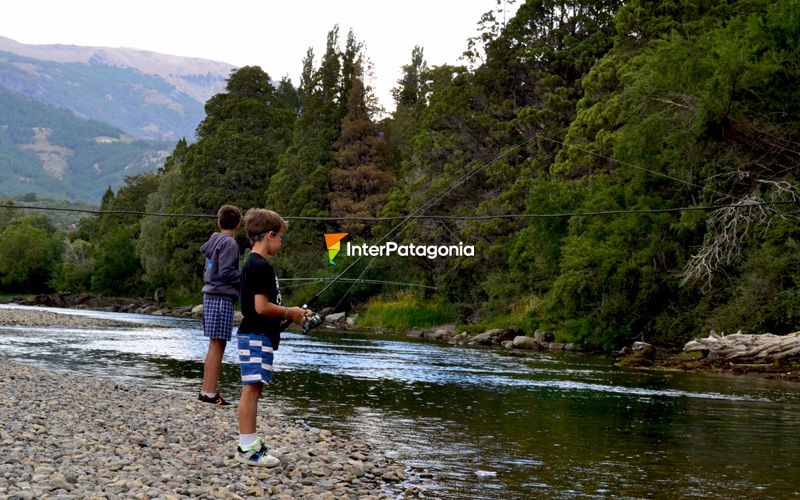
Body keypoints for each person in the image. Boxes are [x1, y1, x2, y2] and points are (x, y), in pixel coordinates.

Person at [235, 208, 307, 466]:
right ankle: (247, 448)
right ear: (270, 235)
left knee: (255, 390)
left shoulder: (254, 264)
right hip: (255, 336)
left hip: (258, 335)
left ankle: (250, 443)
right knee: (251, 390)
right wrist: (290, 311)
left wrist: (294, 316)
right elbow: (261, 307)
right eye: (280, 237)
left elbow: (264, 308)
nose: (281, 242)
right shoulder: (260, 266)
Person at [198, 204, 242, 406]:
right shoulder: (230, 244)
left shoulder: (214, 240)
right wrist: (245, 276)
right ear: (238, 225)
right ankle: (210, 393)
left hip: (209, 296)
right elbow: (225, 272)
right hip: (221, 298)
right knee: (218, 346)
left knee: (213, 345)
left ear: (218, 222)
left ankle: (205, 390)